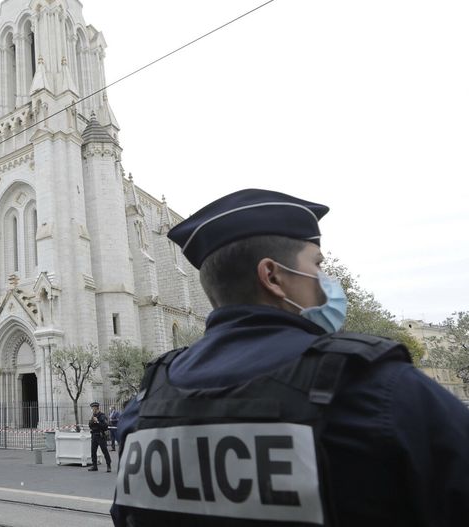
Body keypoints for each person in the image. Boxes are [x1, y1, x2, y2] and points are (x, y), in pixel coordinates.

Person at [110, 188, 469, 526]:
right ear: (272, 276)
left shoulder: (143, 408)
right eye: (317, 264)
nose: (326, 280)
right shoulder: (381, 389)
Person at [87, 402, 111, 472]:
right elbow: (90, 425)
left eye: (93, 408)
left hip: (100, 435)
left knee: (105, 451)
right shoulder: (93, 416)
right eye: (92, 408)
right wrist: (92, 422)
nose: (92, 409)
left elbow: (105, 426)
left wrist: (97, 421)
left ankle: (108, 465)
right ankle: (94, 466)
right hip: (94, 435)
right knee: (93, 451)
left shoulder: (102, 416)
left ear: (96, 408)